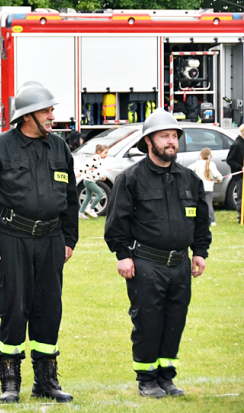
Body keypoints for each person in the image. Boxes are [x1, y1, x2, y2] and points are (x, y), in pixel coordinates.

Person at [0, 82, 77, 404]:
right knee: (14, 308)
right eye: (47, 111)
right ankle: (10, 381)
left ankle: (46, 381)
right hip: (11, 238)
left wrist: (69, 239)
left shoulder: (59, 148)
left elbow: (71, 198)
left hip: (51, 239)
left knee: (49, 309)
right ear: (28, 115)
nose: (52, 116)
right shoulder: (0, 147)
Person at [104, 109, 211, 399]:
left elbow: (201, 221)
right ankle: (147, 379)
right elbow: (116, 223)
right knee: (148, 322)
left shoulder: (189, 180)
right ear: (149, 141)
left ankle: (167, 376)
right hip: (146, 264)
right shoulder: (131, 179)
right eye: (165, 136)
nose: (171, 142)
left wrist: (200, 252)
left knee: (175, 321)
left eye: (174, 136)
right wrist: (122, 255)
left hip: (180, 266)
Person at [188, 147, 223, 226]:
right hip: (208, 187)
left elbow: (188, 169)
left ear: (201, 155)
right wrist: (220, 179)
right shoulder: (211, 164)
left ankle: (197, 219)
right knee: (208, 204)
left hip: (198, 187)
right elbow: (217, 174)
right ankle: (212, 221)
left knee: (197, 204)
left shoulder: (197, 163)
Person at [78, 145, 108, 219]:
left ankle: (81, 213)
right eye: (105, 153)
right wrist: (80, 172)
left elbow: (96, 171)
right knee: (100, 194)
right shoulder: (95, 159)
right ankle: (91, 208)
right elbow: (86, 165)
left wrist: (101, 176)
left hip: (88, 180)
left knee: (88, 197)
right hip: (89, 181)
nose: (106, 155)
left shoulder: (98, 159)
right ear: (99, 152)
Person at [225, 123, 244, 224]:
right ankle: (241, 216)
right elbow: (230, 160)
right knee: (241, 196)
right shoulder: (236, 145)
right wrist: (240, 167)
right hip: (239, 175)